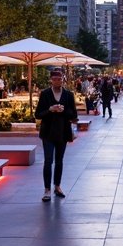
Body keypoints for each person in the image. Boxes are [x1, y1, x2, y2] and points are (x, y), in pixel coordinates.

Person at [35, 69, 77, 201]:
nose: (56, 82)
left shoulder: (68, 95)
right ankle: (47, 189)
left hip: (62, 132)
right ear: (51, 80)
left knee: (59, 161)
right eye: (54, 79)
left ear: (63, 80)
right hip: (48, 133)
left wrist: (64, 110)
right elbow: (38, 114)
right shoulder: (45, 94)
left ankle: (57, 186)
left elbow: (73, 115)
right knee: (48, 161)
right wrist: (50, 110)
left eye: (59, 79)